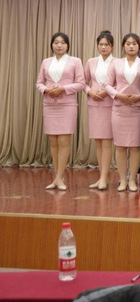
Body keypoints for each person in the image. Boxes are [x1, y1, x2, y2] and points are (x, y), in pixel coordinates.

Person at [36, 32, 86, 191]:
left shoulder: (75, 61)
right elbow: (39, 83)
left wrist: (63, 88)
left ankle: (59, 177)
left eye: (62, 43)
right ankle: (57, 177)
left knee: (64, 141)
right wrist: (46, 90)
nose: (59, 45)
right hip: (50, 105)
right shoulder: (46, 62)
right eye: (56, 42)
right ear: (52, 44)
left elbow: (81, 83)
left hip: (67, 105)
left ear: (67, 45)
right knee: (53, 141)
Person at [105, 33, 140, 192]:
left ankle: (133, 180)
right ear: (123, 46)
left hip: (137, 109)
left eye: (134, 44)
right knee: (120, 146)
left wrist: (139, 96)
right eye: (128, 43)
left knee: (135, 146)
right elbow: (107, 85)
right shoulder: (116, 64)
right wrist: (118, 95)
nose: (131, 46)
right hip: (119, 108)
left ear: (139, 46)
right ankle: (122, 180)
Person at [84, 31, 115, 190]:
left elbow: (119, 83)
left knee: (107, 141)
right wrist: (90, 92)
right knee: (98, 142)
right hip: (94, 103)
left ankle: (104, 177)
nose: (103, 47)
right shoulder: (91, 62)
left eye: (106, 45)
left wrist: (106, 92)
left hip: (109, 103)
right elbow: (83, 81)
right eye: (101, 44)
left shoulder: (117, 62)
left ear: (112, 46)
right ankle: (102, 177)